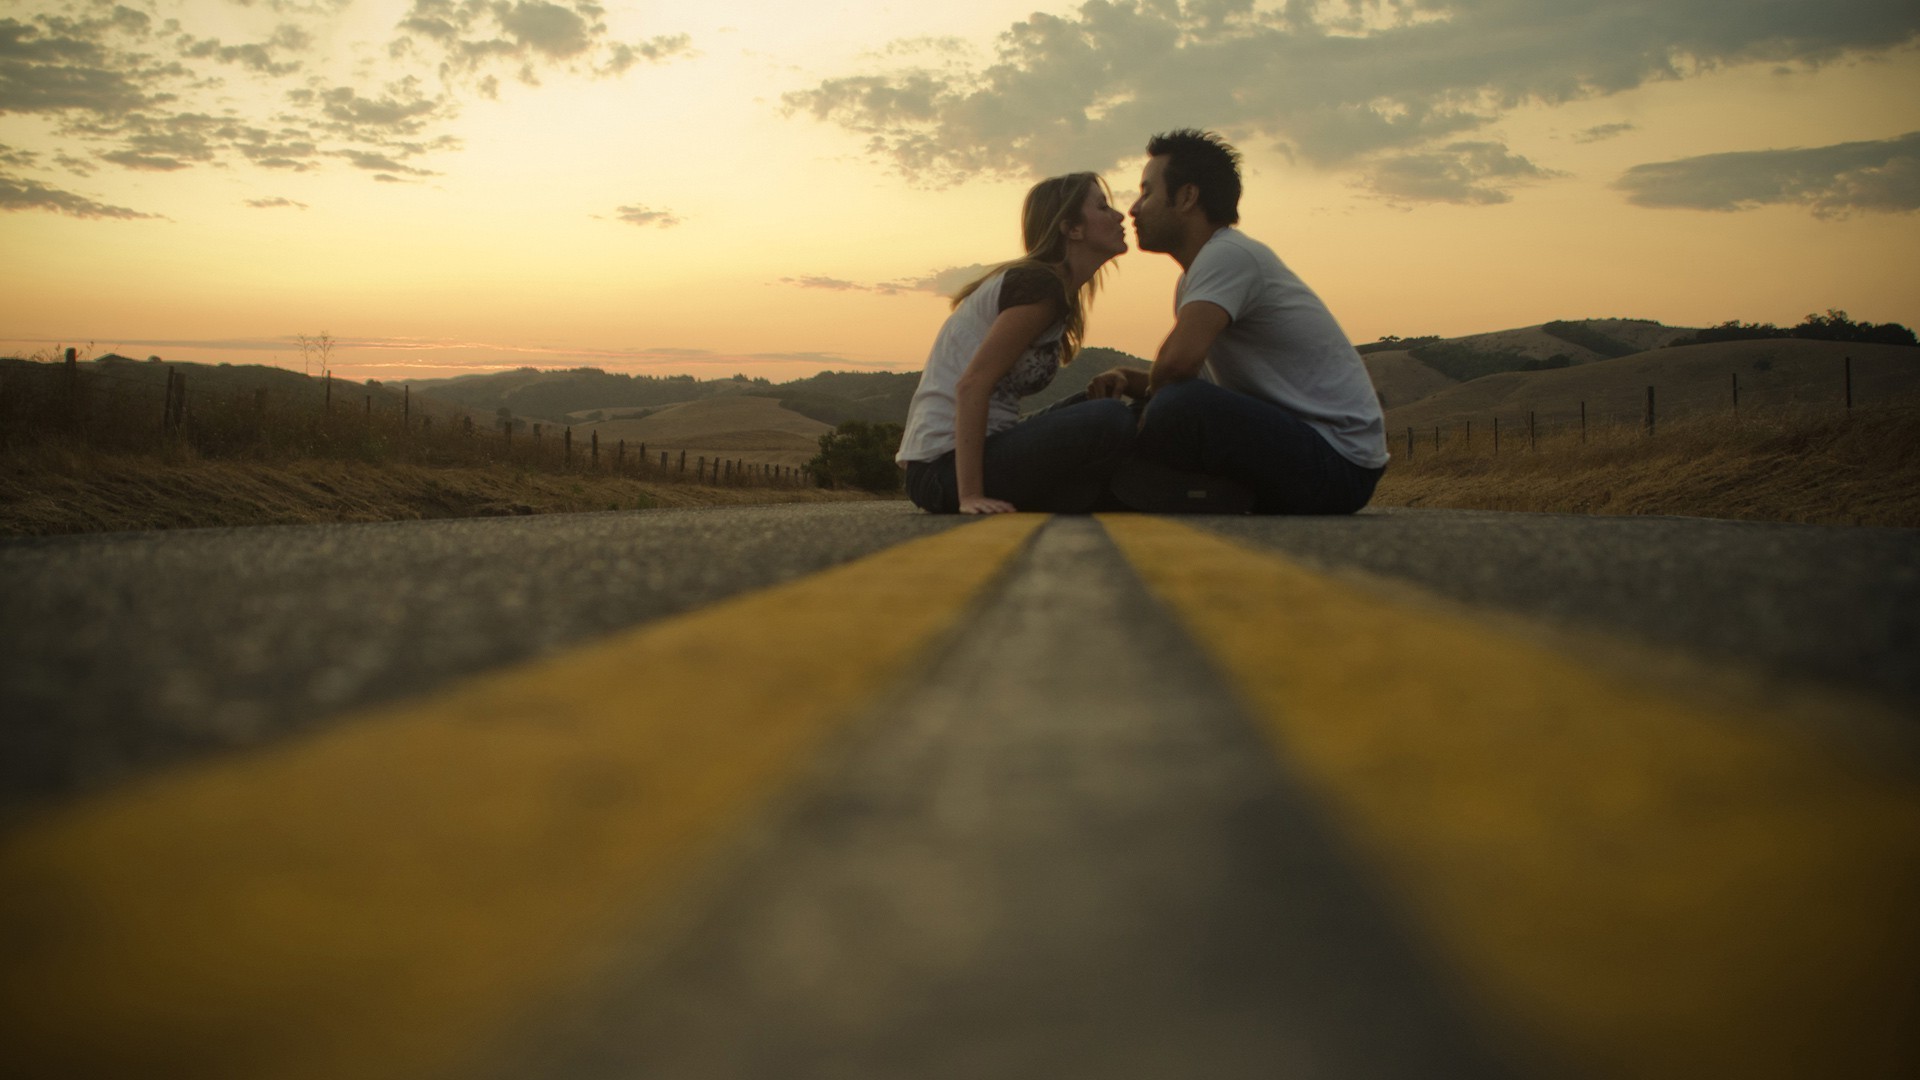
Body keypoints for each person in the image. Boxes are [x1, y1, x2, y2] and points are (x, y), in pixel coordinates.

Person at [1088, 129, 1389, 514]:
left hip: (1338, 465)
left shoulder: (1228, 255)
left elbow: (1177, 366)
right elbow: (1197, 381)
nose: (1134, 208)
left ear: (1187, 197)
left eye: (1147, 192)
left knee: (1176, 407)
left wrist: (1149, 411)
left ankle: (1136, 487)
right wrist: (1132, 381)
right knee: (1148, 403)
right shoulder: (1200, 273)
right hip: (1309, 449)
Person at [896, 172, 1136, 514]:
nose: (1118, 215)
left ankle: (1089, 494)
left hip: (974, 455)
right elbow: (972, 384)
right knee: (1109, 418)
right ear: (1072, 228)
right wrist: (971, 497)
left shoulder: (1052, 290)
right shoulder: (1039, 286)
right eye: (1102, 206)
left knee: (1101, 405)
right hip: (941, 471)